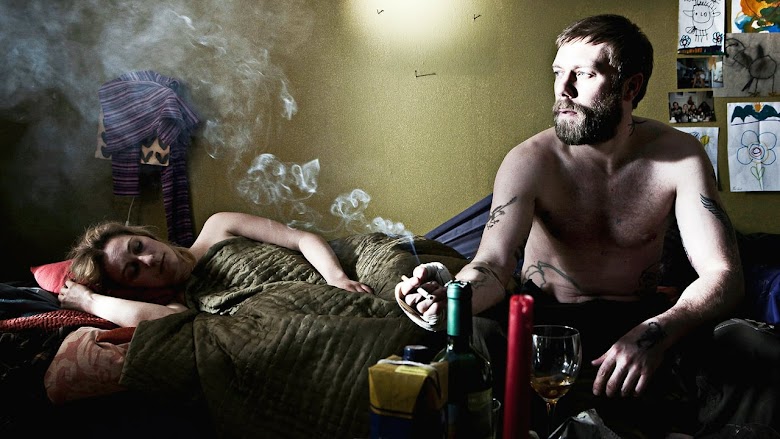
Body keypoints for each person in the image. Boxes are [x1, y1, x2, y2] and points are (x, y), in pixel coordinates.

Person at [396, 14, 751, 437]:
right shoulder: (531, 161)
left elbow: (723, 274)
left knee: (748, 347)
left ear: (630, 87)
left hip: (635, 322)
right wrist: (451, 297)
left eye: (583, 74)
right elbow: (493, 263)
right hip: (542, 322)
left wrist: (656, 333)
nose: (562, 89)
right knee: (477, 335)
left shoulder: (680, 157)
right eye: (558, 72)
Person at [59, 212, 373, 328]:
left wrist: (337, 278)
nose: (148, 260)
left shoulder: (219, 225)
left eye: (138, 247)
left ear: (145, 236)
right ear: (135, 288)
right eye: (133, 270)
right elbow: (154, 320)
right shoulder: (178, 303)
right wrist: (89, 301)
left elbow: (300, 238)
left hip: (328, 284)